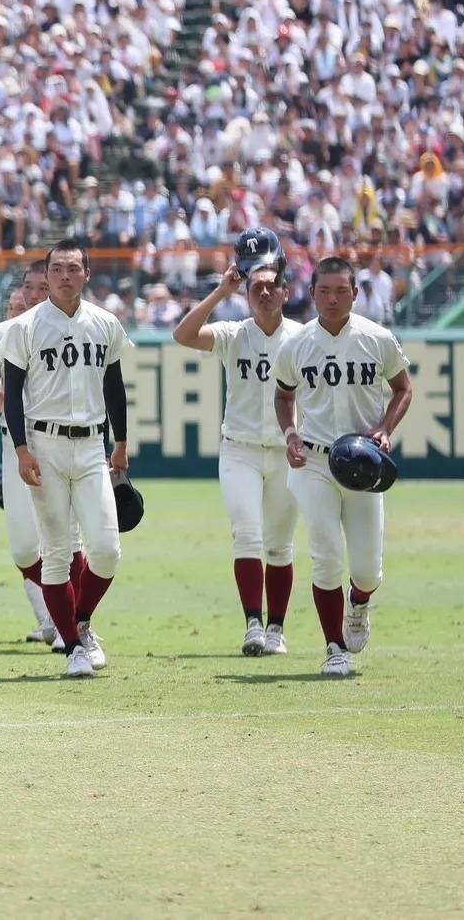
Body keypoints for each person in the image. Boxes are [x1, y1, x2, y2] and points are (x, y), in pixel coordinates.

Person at [0, 239, 131, 679]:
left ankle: (80, 621)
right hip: (43, 444)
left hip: (91, 446)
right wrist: (22, 449)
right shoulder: (24, 327)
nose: (65, 275)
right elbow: (10, 396)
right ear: (45, 277)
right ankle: (73, 649)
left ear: (86, 274)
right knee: (56, 554)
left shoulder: (105, 323)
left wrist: (121, 443)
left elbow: (115, 388)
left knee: (106, 550)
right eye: (57, 268)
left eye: (73, 267)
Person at [274, 257, 413, 677]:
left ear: (355, 293)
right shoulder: (296, 344)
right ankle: (334, 647)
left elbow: (404, 388)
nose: (332, 298)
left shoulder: (377, 337)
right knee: (326, 555)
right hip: (313, 459)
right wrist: (290, 435)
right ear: (311, 293)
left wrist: (386, 428)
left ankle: (360, 601)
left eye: (341, 290)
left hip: (363, 463)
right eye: (324, 291)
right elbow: (283, 395)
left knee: (368, 569)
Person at [173, 244, 300, 657]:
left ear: (286, 291)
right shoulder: (233, 333)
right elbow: (183, 335)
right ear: (246, 293)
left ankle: (277, 628)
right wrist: (219, 294)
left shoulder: (302, 337)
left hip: (286, 451)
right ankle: (253, 624)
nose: (264, 293)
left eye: (271, 286)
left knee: (280, 544)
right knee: (246, 534)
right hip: (240, 449)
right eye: (256, 287)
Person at [0, 266, 64, 647]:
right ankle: (53, 616)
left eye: (42, 287)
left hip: (62, 443)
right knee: (24, 547)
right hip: (13, 442)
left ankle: (68, 622)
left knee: (63, 540)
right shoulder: (4, 335)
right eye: (27, 290)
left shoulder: (69, 328)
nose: (34, 295)